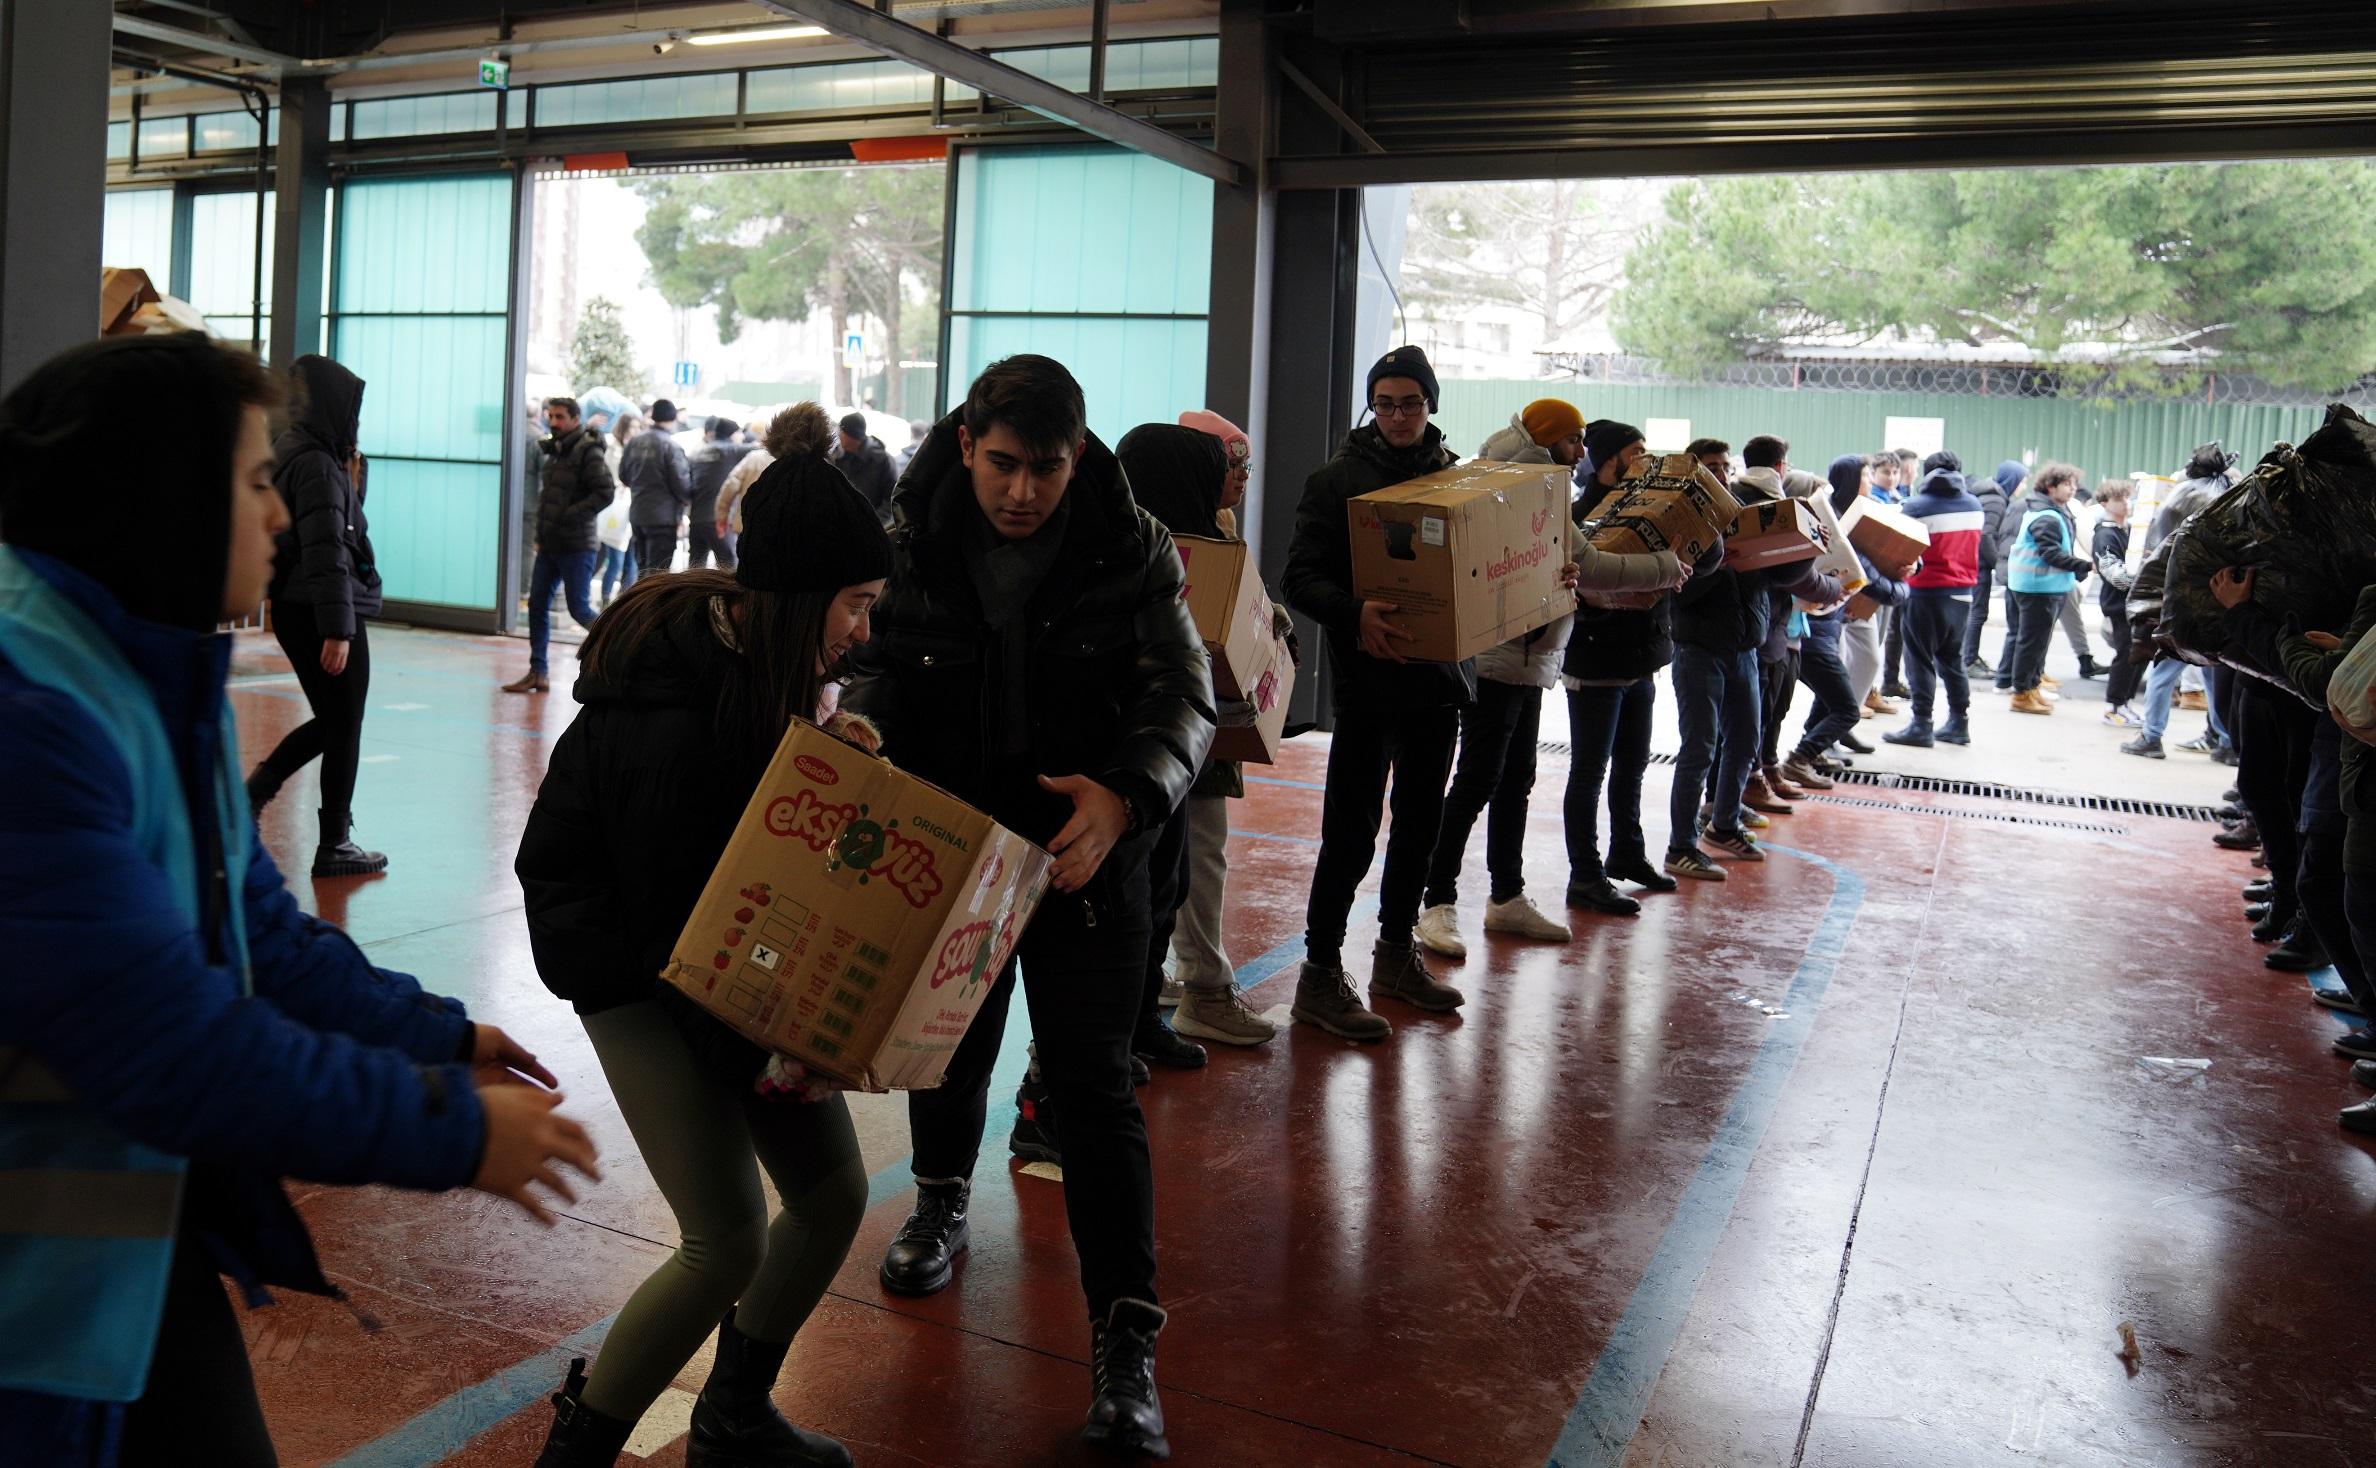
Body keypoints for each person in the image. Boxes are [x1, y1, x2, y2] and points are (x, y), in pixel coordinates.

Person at [0, 332, 594, 1466]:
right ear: (159, 493)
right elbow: (171, 1045)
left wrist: (438, 1029)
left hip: (111, 1264)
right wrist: (452, 1129)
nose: (280, 516)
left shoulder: (135, 671)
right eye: (255, 480)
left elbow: (257, 929)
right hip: (28, 1316)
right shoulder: (28, 709)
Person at [845, 356, 1211, 1459]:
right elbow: (875, 668)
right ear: (967, 443)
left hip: (1087, 860)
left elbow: (1182, 694)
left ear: (1077, 454)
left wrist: (1126, 792)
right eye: (1004, 464)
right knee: (948, 1048)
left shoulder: (1128, 542)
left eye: (1046, 468)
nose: (1023, 491)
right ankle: (941, 1200)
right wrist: (861, 725)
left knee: (1094, 1093)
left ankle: (1125, 1342)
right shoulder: (907, 541)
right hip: (953, 855)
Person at [516, 403, 885, 1468]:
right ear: (803, 596)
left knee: (830, 1196)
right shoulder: (674, 726)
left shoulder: (763, 674)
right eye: (854, 605)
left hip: (707, 958)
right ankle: (575, 1454)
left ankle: (731, 1416)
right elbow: (683, 941)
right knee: (726, 1237)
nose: (863, 630)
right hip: (628, 966)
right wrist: (781, 1052)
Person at [1285, 346, 1480, 1039]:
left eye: (1412, 403)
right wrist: (1353, 612)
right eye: (1386, 402)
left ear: (1430, 405)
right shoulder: (1336, 481)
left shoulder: (1455, 481)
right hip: (1369, 683)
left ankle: (1395, 956)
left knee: (1421, 825)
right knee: (1351, 831)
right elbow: (1299, 577)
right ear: (1373, 406)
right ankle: (1318, 975)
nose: (1398, 416)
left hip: (1439, 682)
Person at [1419, 400, 1650, 952]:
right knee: (1477, 780)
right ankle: (1437, 900)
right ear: (1548, 440)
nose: (1582, 453)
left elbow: (1564, 563)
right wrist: (1666, 568)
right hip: (1499, 657)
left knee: (1516, 780)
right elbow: (1587, 562)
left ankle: (1506, 896)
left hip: (1531, 656)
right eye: (1574, 441)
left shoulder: (1542, 483)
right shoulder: (1514, 482)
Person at [1160, 409, 1279, 1048]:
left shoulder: (1217, 527)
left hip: (1204, 721)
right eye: (1231, 466)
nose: (1242, 479)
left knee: (1190, 856)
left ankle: (1179, 975)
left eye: (1245, 466)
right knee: (1198, 855)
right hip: (1182, 726)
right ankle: (1205, 985)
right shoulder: (1173, 539)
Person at [1664, 435, 1835, 880]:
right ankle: (1680, 845)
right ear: (1693, 472)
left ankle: (1723, 825)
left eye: (1725, 465)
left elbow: (1778, 573)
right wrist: (1718, 565)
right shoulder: (1679, 520)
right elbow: (1675, 592)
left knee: (1745, 743)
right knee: (1699, 749)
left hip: (1746, 648)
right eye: (1711, 466)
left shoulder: (1743, 514)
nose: (1721, 473)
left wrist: (1805, 546)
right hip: (1699, 650)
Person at [244, 354, 389, 877]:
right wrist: (338, 628)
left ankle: (264, 798)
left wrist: (352, 478)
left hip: (299, 606)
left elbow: (341, 526)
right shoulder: (316, 463)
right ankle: (333, 843)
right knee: (343, 724)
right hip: (321, 609)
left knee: (337, 722)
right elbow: (327, 548)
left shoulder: (298, 450)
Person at [1563, 420, 1692, 914]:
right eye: (1634, 452)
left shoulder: (1653, 508)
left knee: (1633, 766)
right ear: (1608, 457)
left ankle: (1628, 853)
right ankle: (1585, 874)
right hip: (1596, 659)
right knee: (1590, 770)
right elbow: (1574, 584)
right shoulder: (1580, 514)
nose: (1644, 460)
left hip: (1642, 657)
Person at [1783, 457, 1897, 793]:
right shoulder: (1821, 535)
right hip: (1810, 633)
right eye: (1866, 474)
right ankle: (1800, 758)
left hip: (1817, 630)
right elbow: (1872, 585)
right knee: (1847, 708)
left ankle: (1810, 752)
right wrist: (1839, 587)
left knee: (1831, 697)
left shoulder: (1836, 526)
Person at [2126, 443, 2237, 758]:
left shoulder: (2180, 499)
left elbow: (2162, 551)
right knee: (2212, 669)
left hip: (2181, 601)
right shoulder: (2227, 496)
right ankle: (2227, 740)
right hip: (2216, 599)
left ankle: (2151, 736)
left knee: (2164, 670)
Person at [506, 396, 615, 694]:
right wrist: (542, 535)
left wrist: (571, 515)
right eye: (550, 416)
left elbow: (605, 491)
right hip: (551, 545)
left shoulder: (586, 451)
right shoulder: (555, 449)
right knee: (538, 605)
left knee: (579, 607)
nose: (553, 422)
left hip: (577, 544)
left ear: (575, 419)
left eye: (560, 417)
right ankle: (538, 672)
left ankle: (620, 645)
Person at [1885, 451, 1986, 748]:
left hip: (1925, 592)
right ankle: (1959, 723)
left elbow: (1899, 548)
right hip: (1963, 594)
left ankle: (1921, 724)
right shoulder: (1974, 505)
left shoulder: (1916, 507)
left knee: (1919, 658)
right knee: (1952, 659)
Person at [2004, 462, 2092, 716]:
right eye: (2067, 484)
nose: (2073, 489)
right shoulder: (2047, 515)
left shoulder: (2052, 510)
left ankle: (2031, 687)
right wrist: (2086, 565)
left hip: (2044, 586)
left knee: (2037, 641)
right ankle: (2021, 693)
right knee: (2031, 642)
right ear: (2051, 487)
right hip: (2037, 587)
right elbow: (2052, 554)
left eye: (2075, 484)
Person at [2091, 479, 2143, 725]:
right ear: (2104, 503)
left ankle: (2125, 703)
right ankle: (2113, 706)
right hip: (2119, 605)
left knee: (2138, 654)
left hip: (2136, 603)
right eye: (2119, 499)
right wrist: (2143, 580)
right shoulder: (2105, 533)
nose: (2126, 503)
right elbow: (2113, 573)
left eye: (2126, 497)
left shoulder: (2131, 530)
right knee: (2127, 654)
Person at [622, 399, 692, 580]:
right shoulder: (671, 446)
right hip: (663, 518)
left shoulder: (635, 442)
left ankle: (638, 606)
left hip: (638, 514)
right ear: (673, 418)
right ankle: (650, 608)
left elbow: (623, 474)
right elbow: (681, 483)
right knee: (658, 574)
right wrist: (688, 499)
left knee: (642, 568)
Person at [1965, 460, 2018, 678]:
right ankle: (1968, 660)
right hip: (1980, 564)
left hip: (1976, 562)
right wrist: (1998, 562)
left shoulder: (1990, 495)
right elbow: (1986, 534)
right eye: (2021, 481)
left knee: (1976, 612)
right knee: (1977, 613)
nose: (2021, 486)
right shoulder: (1996, 499)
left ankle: (1970, 657)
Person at [685, 415, 751, 571]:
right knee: (729, 567)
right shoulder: (733, 450)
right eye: (739, 432)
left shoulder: (696, 453)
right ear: (732, 434)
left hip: (696, 519)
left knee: (695, 568)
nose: (741, 436)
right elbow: (764, 450)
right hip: (719, 520)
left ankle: (693, 596)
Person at [832, 412, 898, 524]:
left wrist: (871, 523)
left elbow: (892, 501)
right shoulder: (838, 457)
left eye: (841, 432)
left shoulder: (882, 461)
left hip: (873, 528)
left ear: (850, 435)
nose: (838, 436)